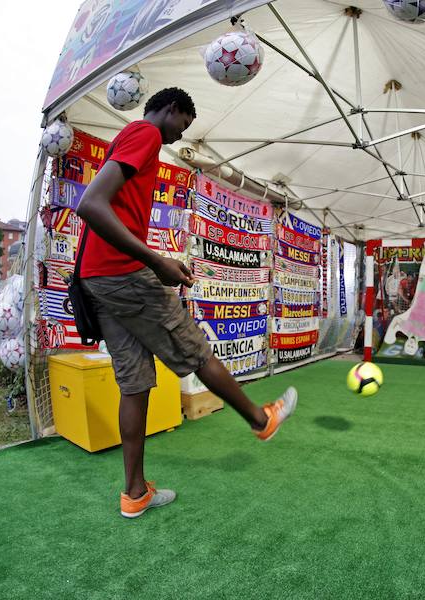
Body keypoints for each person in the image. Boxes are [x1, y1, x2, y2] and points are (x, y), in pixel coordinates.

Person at [75, 88, 297, 519]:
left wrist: (156, 259)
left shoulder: (131, 138)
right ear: (172, 110)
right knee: (195, 350)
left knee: (134, 383)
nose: (181, 135)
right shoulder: (145, 134)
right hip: (121, 274)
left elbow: (109, 209)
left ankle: (134, 493)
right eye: (184, 124)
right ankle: (259, 419)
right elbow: (91, 205)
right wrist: (156, 262)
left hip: (99, 279)